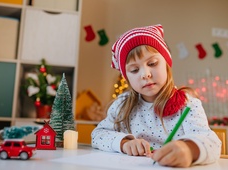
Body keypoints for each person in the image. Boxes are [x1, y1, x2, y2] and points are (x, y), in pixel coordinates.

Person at [91, 24, 221, 168]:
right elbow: (98, 135)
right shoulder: (122, 105)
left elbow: (212, 143)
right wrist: (124, 143)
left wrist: (189, 150)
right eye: (134, 70)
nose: (145, 74)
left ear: (166, 64)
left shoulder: (188, 105)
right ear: (127, 77)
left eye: (152, 63)